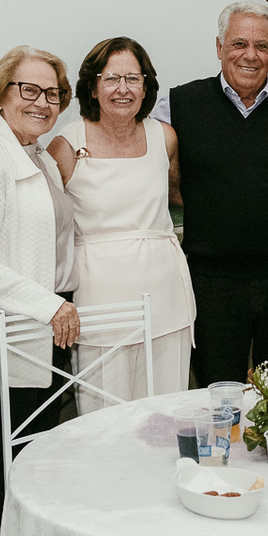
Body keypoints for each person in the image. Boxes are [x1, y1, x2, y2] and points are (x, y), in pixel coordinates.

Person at [150, 3, 268, 386]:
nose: (251, 55)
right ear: (218, 47)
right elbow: (159, 177)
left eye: (262, 46)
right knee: (217, 391)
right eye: (239, 43)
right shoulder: (178, 105)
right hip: (210, 279)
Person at [0, 46, 79, 531]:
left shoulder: (39, 156)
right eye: (28, 90)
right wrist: (49, 306)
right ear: (0, 93)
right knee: (2, 474)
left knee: (37, 469)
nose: (42, 102)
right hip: (8, 339)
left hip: (51, 331)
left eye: (52, 93)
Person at [48, 37, 193, 412]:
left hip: (165, 295)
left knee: (167, 411)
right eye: (112, 79)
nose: (123, 89)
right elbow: (48, 222)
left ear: (147, 86)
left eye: (134, 78)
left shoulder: (165, 137)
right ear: (93, 87)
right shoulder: (66, 144)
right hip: (99, 300)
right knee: (105, 416)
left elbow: (178, 197)